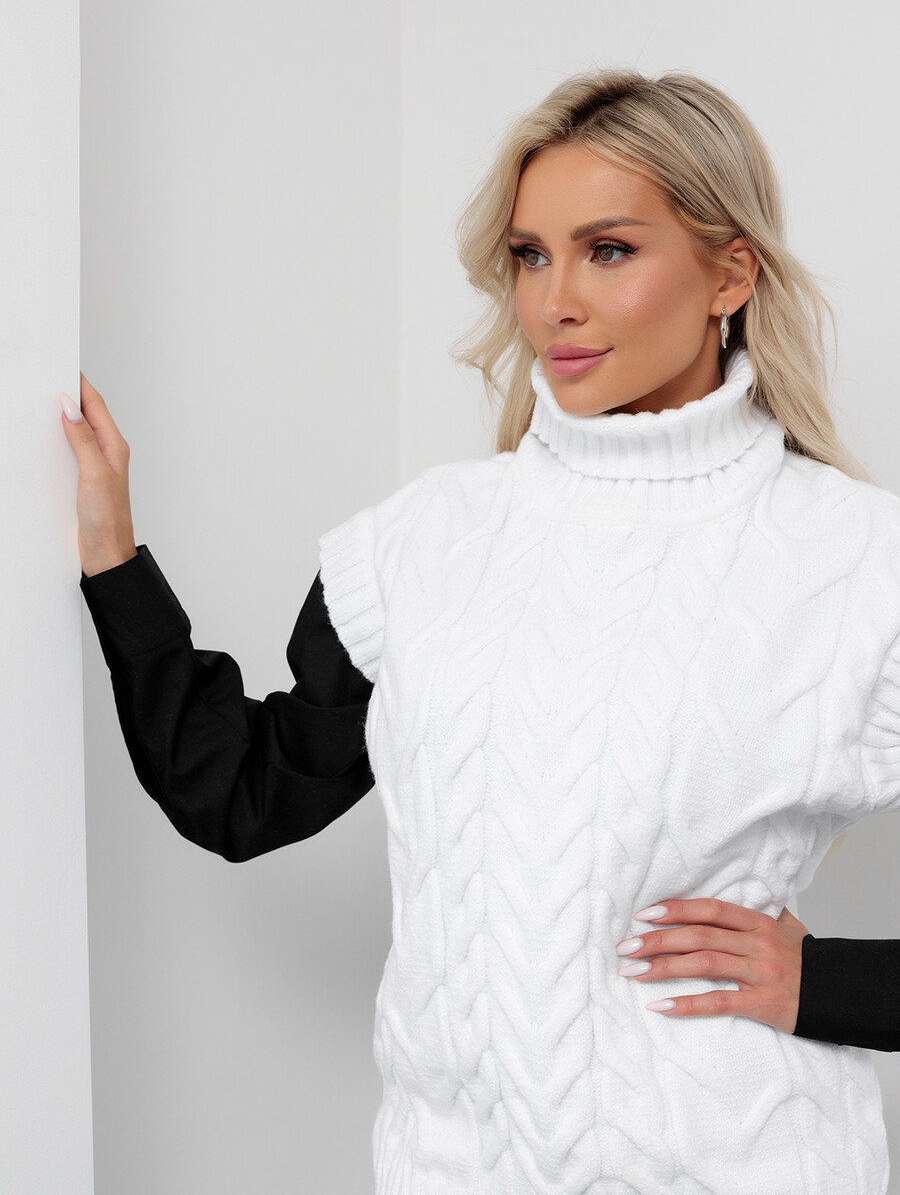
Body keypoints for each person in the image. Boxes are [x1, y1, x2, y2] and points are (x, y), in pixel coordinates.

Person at [63, 67, 900, 1193]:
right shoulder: (420, 545)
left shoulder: (857, 561)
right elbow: (237, 791)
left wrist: (832, 985)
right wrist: (112, 556)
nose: (555, 301)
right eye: (530, 255)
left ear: (729, 274)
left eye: (609, 250)